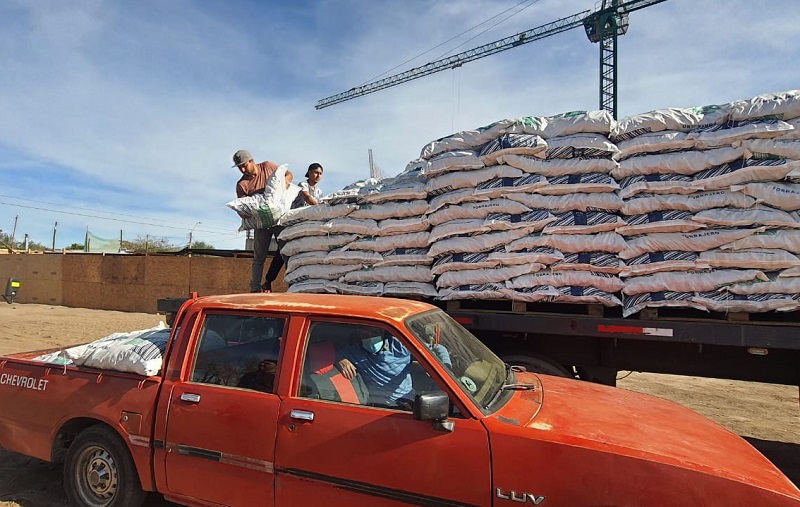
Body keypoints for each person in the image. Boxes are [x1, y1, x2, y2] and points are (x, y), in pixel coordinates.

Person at [231, 149, 284, 293]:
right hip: (261, 225)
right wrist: (246, 214)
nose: (242, 169)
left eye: (244, 165)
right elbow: (242, 209)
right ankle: (255, 289)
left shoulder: (268, 167)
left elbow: (287, 174)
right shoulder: (242, 185)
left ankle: (291, 285)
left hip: (279, 220)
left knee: (287, 252)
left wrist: (285, 184)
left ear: (252, 161)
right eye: (239, 167)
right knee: (258, 258)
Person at [336, 327, 413, 407]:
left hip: (407, 400)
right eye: (365, 335)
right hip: (380, 406)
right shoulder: (356, 352)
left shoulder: (400, 346)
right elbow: (328, 355)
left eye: (373, 333)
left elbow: (423, 350)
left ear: (381, 332)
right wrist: (340, 359)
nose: (370, 338)